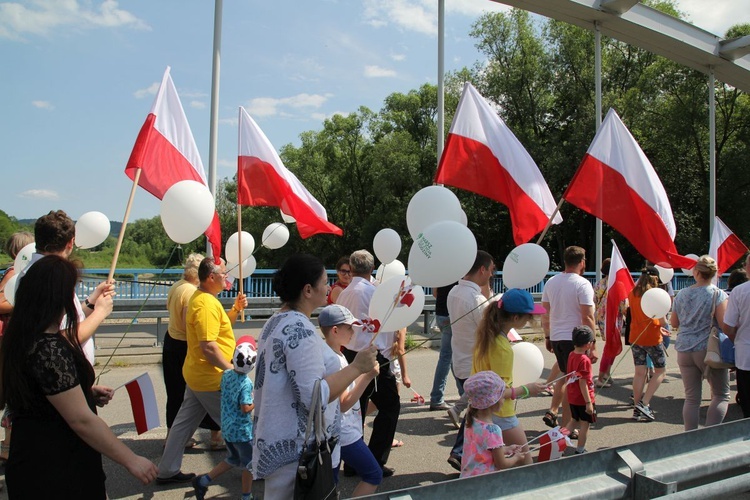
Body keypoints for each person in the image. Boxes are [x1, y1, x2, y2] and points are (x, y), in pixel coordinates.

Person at [0, 255, 157, 497]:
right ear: (58, 297)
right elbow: (81, 420)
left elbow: (38, 393)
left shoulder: (21, 337)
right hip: (57, 465)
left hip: (29, 459)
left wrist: (84, 392)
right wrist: (131, 459)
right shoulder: (48, 349)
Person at [252, 254, 378, 500]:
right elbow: (313, 397)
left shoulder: (275, 320)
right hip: (297, 451)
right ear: (308, 290)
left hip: (277, 442)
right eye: (324, 281)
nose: (329, 287)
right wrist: (357, 367)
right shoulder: (301, 329)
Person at [157, 257, 248, 484]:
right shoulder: (205, 303)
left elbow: (218, 329)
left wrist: (236, 309)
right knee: (238, 424)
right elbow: (208, 347)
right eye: (224, 273)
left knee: (183, 424)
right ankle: (255, 468)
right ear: (211, 277)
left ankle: (166, 470)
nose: (227, 277)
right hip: (211, 379)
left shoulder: (204, 298)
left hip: (197, 374)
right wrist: (232, 371)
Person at [19, 210, 115, 366]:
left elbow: (68, 319)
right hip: (61, 371)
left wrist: (93, 299)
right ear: (71, 242)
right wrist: (100, 312)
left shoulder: (32, 272)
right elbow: (59, 339)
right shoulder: (49, 277)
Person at [338, 249, 402, 477]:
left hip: (350, 353)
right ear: (372, 269)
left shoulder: (344, 293)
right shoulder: (374, 291)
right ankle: (373, 460)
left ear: (352, 268)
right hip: (372, 355)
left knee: (357, 407)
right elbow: (386, 322)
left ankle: (354, 462)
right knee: (390, 405)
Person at [470, 288, 546, 465]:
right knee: (525, 464)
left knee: (494, 462)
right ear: (516, 318)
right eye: (528, 316)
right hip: (502, 413)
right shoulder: (502, 347)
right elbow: (497, 392)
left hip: (482, 411)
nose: (530, 320)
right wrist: (528, 389)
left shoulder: (486, 336)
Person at [319, 304, 382, 497]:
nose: (353, 333)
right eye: (349, 328)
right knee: (373, 474)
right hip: (342, 431)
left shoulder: (332, 352)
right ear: (335, 330)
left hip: (339, 431)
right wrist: (367, 376)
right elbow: (344, 403)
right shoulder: (334, 360)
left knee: (331, 483)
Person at [162, 253, 222, 449]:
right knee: (206, 391)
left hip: (171, 340)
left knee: (175, 393)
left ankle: (173, 436)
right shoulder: (191, 293)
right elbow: (193, 326)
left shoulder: (177, 286)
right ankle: (216, 437)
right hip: (184, 345)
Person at [446, 250, 496, 470]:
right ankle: (459, 452)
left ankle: (464, 452)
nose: (492, 275)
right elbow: (490, 331)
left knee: (474, 410)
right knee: (477, 412)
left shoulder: (454, 291)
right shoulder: (476, 299)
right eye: (491, 270)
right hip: (475, 362)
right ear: (482, 270)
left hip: (459, 359)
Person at [192, 337, 257, 500]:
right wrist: (256, 401)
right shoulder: (246, 383)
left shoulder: (227, 374)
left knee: (233, 459)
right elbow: (245, 408)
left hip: (227, 427)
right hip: (241, 431)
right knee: (249, 465)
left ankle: (203, 481)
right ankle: (246, 497)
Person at [541, 246, 596, 434]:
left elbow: (545, 313)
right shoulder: (582, 284)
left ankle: (554, 412)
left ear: (565, 261)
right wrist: (593, 343)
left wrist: (548, 335)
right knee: (573, 381)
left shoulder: (551, 282)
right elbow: (588, 316)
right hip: (575, 339)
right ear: (582, 262)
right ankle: (566, 427)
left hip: (556, 336)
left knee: (565, 376)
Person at [671, 255, 730, 431]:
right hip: (708, 349)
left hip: (684, 349)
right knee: (720, 395)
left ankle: (690, 438)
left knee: (691, 398)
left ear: (696, 272)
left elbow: (674, 323)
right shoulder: (718, 295)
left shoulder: (681, 294)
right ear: (714, 274)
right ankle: (708, 438)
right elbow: (724, 324)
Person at [0, 231, 34, 462]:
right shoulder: (13, 273)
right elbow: (2, 302)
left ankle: (8, 446)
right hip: (8, 340)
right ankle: (7, 449)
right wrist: (22, 306)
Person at [459, 371, 526, 478]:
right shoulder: (493, 430)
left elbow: (482, 450)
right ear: (493, 401)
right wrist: (516, 458)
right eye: (502, 396)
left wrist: (506, 449)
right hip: (486, 482)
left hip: (467, 478)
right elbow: (502, 464)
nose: (504, 399)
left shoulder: (471, 419)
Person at [628, 266, 669, 422]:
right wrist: (661, 328)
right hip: (652, 339)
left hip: (636, 337)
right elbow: (663, 321)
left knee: (639, 373)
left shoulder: (633, 293)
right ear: (655, 279)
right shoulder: (655, 295)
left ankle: (636, 409)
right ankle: (645, 403)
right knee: (660, 371)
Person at [723, 254, 750, 418]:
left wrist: (736, 340)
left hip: (746, 355)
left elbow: (728, 326)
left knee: (748, 409)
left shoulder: (740, 291)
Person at [565, 326, 597, 454]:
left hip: (573, 396)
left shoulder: (571, 354)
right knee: (585, 425)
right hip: (583, 398)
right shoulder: (585, 360)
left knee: (573, 421)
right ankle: (580, 449)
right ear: (588, 344)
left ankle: (559, 441)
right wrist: (588, 402)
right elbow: (583, 382)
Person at [429, 283, 458, 412]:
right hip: (452, 315)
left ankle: (463, 393)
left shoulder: (441, 269)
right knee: (449, 357)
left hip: (440, 314)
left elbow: (435, 293)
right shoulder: (461, 270)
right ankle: (437, 398)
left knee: (449, 357)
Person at [593, 258, 615, 388]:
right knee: (611, 347)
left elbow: (595, 299)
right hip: (612, 318)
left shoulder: (599, 283)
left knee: (610, 345)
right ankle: (604, 373)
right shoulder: (615, 283)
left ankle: (607, 372)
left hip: (601, 317)